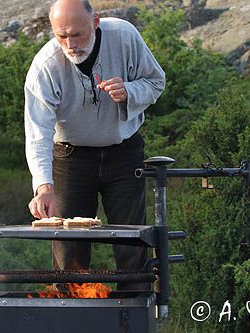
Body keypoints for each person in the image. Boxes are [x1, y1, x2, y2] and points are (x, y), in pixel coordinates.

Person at [24, 0, 166, 290]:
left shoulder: (125, 36)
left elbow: (156, 81)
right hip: (70, 159)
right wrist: (43, 186)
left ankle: (133, 314)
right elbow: (37, 131)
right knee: (68, 251)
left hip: (124, 154)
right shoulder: (45, 66)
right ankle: (70, 316)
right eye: (61, 36)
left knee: (132, 243)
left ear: (96, 22)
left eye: (77, 34)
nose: (70, 43)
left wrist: (129, 91)